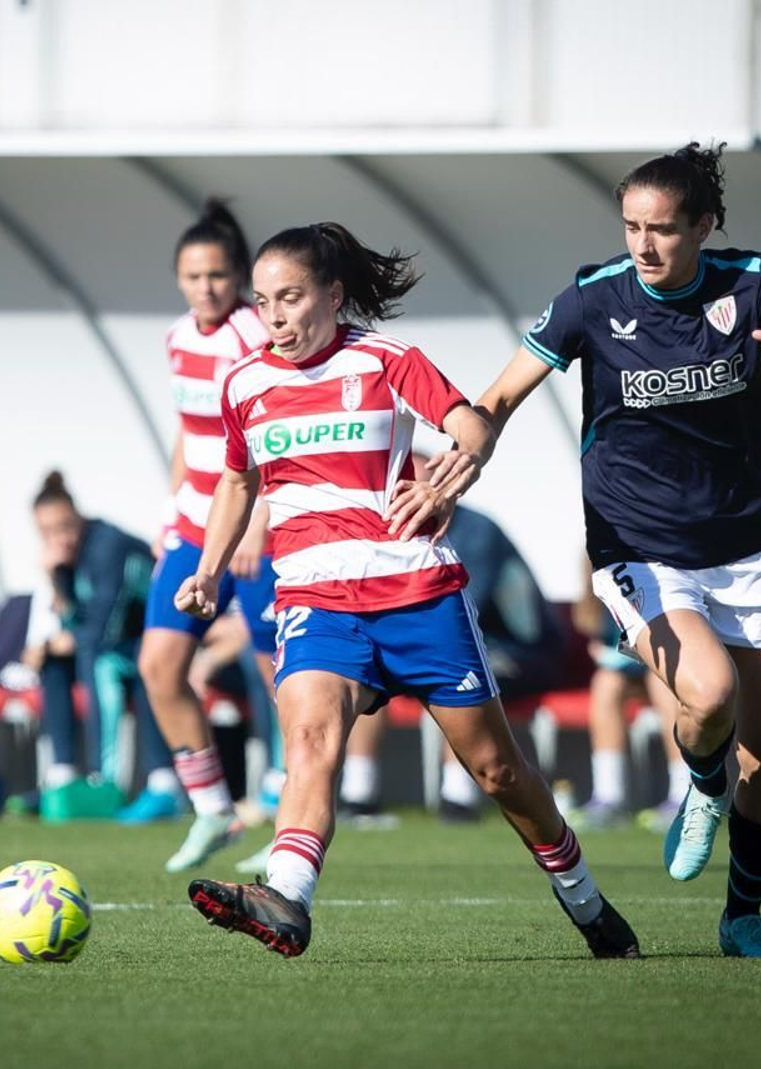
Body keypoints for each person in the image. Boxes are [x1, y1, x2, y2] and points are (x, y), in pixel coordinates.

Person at [178, 222, 640, 960]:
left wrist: (451, 476)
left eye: (290, 297)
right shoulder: (244, 383)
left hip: (417, 594)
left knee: (498, 771)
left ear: (333, 295)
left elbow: (471, 426)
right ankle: (287, 896)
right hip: (315, 600)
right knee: (309, 739)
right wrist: (210, 567)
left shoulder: (387, 359)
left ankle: (585, 899)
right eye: (262, 302)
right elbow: (238, 480)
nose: (275, 317)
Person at [456, 142, 761, 958]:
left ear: (704, 226)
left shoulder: (750, 284)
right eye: (632, 226)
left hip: (745, 544)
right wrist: (462, 458)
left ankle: (743, 917)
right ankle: (702, 785)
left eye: (664, 229)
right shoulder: (592, 298)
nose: (644, 245)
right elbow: (496, 396)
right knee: (708, 695)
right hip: (637, 544)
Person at [136, 199, 283, 873]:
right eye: (194, 277)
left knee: (285, 683)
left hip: (257, 530)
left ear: (239, 277)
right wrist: (171, 507)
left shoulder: (254, 334)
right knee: (159, 667)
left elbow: (274, 433)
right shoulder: (176, 338)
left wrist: (259, 522)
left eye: (218, 275)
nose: (206, 288)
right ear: (177, 278)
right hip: (193, 526)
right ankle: (213, 809)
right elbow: (188, 428)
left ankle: (293, 822)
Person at [340, 467, 567, 823]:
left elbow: (464, 608)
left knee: (457, 671)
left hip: (520, 650)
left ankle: (458, 797)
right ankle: (358, 794)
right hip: (436, 641)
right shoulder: (387, 526)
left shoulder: (476, 529)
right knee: (368, 672)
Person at [26, 473, 173, 813]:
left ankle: (107, 782)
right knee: (54, 665)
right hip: (122, 648)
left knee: (98, 659)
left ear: (77, 516)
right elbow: (73, 618)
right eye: (47, 532)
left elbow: (104, 626)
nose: (58, 538)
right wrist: (54, 576)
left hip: (158, 645)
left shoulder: (107, 545)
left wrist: (60, 641)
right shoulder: (67, 558)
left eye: (63, 526)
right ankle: (62, 776)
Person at [569, 574, 687, 831]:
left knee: (662, 685)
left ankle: (684, 796)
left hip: (675, 664)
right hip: (629, 669)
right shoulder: (602, 577)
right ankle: (609, 797)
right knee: (606, 683)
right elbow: (600, 639)